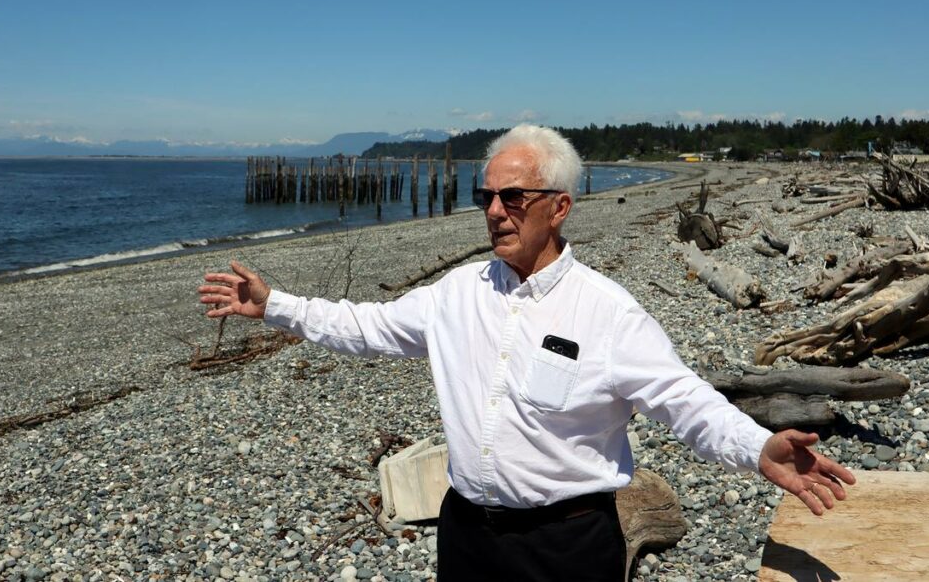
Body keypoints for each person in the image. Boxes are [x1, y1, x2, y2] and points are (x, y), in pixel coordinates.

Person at [198, 124, 855, 581]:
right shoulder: (458, 292)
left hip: (566, 548)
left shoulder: (607, 310)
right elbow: (367, 326)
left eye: (513, 196)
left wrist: (755, 445)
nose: (495, 211)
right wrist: (275, 304)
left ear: (560, 207)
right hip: (466, 536)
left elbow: (680, 399)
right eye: (487, 196)